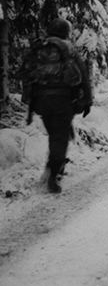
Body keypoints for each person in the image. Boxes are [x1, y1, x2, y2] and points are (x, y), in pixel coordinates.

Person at [20, 18, 92, 194]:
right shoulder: (68, 49)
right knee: (59, 138)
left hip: (41, 101)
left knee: (55, 134)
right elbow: (83, 75)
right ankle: (54, 174)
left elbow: (25, 72)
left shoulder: (39, 47)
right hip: (63, 100)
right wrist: (87, 100)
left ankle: (55, 166)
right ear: (65, 32)